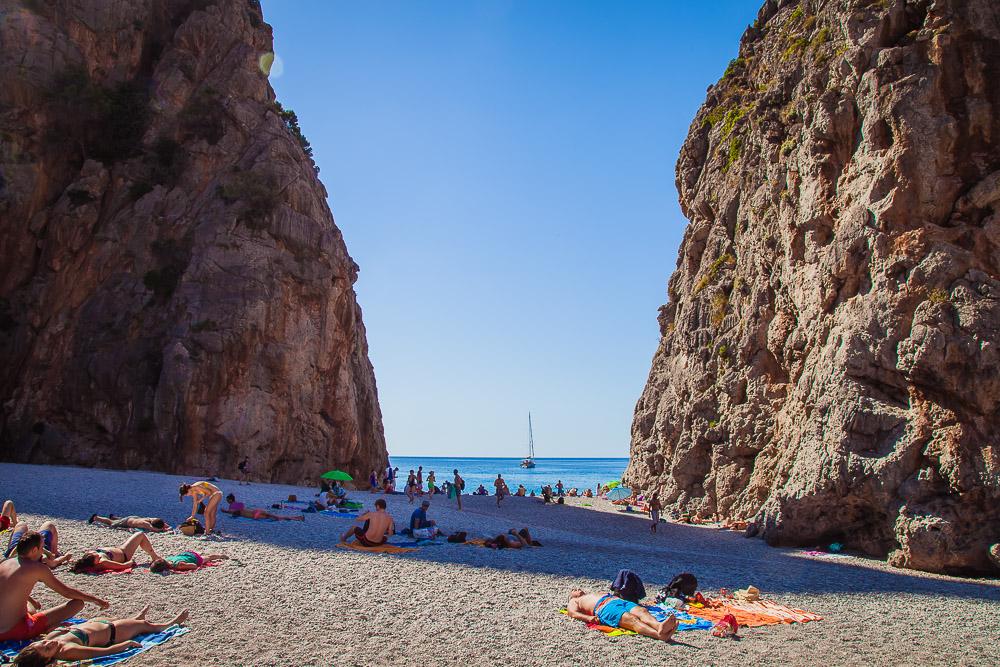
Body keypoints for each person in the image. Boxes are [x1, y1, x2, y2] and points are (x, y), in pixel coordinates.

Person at [0, 531, 109, 643]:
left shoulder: (5, 562)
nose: (43, 551)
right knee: (78, 603)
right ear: (34, 550)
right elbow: (66, 592)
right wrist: (95, 599)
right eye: (42, 548)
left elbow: (9, 589)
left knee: (31, 606)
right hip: (13, 631)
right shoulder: (37, 568)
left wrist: (31, 599)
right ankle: (47, 627)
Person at [12, 605, 188, 665]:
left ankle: (134, 619)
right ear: (48, 660)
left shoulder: (51, 641)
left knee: (128, 621)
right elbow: (103, 653)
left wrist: (59, 629)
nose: (48, 644)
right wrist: (126, 645)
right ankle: (171, 624)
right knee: (145, 626)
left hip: (96, 624)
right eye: (47, 649)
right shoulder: (67, 651)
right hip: (113, 633)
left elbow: (50, 633)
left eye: (43, 644)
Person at [566, 589, 677, 641]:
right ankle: (658, 635)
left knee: (642, 611)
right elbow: (573, 613)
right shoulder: (575, 600)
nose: (577, 589)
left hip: (616, 600)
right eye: (574, 590)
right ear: (572, 596)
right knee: (632, 619)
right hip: (603, 607)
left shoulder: (591, 593)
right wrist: (589, 618)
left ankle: (659, 626)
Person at [70, 533, 162, 573]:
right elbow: (123, 566)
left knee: (139, 536)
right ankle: (154, 556)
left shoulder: (88, 556)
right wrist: (131, 562)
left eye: (95, 554)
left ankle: (154, 556)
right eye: (97, 557)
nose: (97, 555)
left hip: (119, 548)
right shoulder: (103, 562)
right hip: (124, 553)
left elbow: (81, 563)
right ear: (95, 563)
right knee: (140, 535)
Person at [221, 494, 304, 522]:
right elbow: (239, 508)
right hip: (256, 511)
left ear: (230, 500)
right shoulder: (239, 505)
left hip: (255, 515)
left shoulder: (234, 508)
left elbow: (231, 512)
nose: (227, 501)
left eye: (228, 500)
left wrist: (225, 511)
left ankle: (297, 518)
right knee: (278, 517)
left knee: (278, 518)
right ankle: (297, 518)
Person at [150, 551, 228, 573]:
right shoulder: (168, 559)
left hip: (193, 557)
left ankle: (219, 556)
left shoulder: (179, 565)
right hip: (185, 554)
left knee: (207, 558)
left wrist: (184, 567)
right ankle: (219, 555)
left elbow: (194, 566)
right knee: (206, 556)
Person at [87, 514, 169, 532]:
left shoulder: (153, 519)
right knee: (111, 523)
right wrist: (163, 530)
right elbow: (154, 529)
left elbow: (164, 524)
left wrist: (165, 526)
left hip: (134, 518)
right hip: (127, 522)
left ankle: (115, 517)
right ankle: (96, 517)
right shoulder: (146, 524)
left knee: (119, 520)